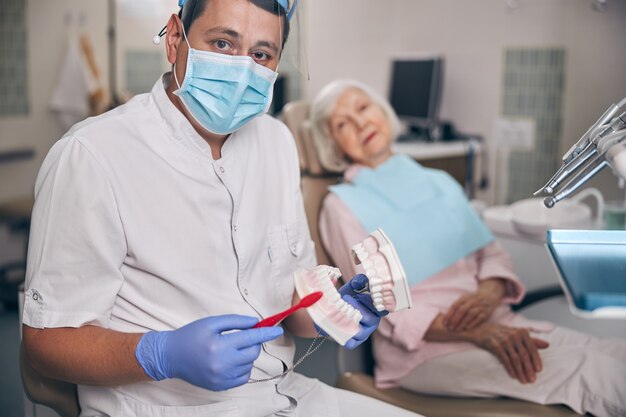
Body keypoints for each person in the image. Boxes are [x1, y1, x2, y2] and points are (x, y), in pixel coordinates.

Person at [21, 2, 422, 416]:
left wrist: (333, 310)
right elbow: (45, 346)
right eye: (222, 43)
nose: (242, 68)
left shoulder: (277, 142)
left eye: (261, 54)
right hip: (161, 406)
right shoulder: (93, 154)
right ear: (175, 39)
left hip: (282, 393)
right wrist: (161, 354)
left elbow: (292, 309)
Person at [311, 79, 626, 417]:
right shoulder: (341, 206)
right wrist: (482, 333)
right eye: (343, 123)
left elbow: (490, 253)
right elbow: (378, 304)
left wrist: (490, 291)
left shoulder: (439, 181)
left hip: (500, 321)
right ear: (333, 144)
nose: (360, 124)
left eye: (363, 108)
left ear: (383, 113)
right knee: (596, 374)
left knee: (616, 354)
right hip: (426, 354)